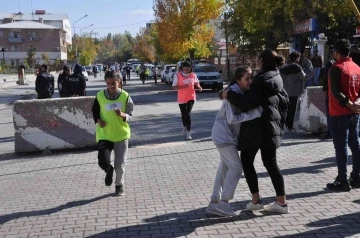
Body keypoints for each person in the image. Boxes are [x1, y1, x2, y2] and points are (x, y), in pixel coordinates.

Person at [222, 49, 289, 214]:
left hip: (256, 129)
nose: (256, 61)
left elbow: (246, 104)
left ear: (262, 62)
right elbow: (285, 102)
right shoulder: (276, 78)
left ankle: (256, 200)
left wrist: (229, 94)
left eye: (258, 59)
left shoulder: (260, 81)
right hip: (271, 127)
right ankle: (281, 203)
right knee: (271, 164)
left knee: (247, 161)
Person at [207, 66, 263, 217]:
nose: (250, 81)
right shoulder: (234, 93)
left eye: (251, 78)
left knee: (224, 168)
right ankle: (224, 203)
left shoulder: (238, 92)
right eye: (247, 79)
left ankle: (214, 202)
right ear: (238, 80)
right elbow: (232, 118)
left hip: (225, 136)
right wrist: (255, 113)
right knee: (237, 168)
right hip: (224, 137)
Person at [91, 70, 134, 196]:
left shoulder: (125, 96)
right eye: (108, 83)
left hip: (121, 135)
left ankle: (119, 185)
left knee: (120, 165)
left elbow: (131, 115)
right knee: (102, 161)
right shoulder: (99, 96)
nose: (111, 86)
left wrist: (122, 114)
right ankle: (108, 170)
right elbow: (95, 112)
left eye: (113, 83)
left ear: (119, 82)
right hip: (105, 134)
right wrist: (99, 121)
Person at [326, 39, 360, 191]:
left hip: (340, 112)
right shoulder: (357, 68)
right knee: (355, 144)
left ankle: (342, 180)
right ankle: (356, 177)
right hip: (355, 112)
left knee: (341, 147)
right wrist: (356, 103)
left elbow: (335, 92)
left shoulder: (336, 68)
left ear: (337, 52)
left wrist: (348, 104)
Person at [280, 51, 313, 132]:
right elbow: (304, 77)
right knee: (293, 110)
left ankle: (285, 125)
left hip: (285, 91)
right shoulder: (297, 67)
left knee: (286, 109)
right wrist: (312, 73)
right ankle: (290, 127)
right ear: (297, 58)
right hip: (294, 92)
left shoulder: (283, 67)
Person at [172, 60, 203, 140]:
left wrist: (199, 87)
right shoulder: (178, 75)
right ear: (182, 68)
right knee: (183, 114)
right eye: (185, 68)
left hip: (191, 97)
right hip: (182, 98)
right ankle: (184, 125)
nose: (186, 70)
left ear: (190, 68)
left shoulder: (193, 75)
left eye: (188, 68)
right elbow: (174, 87)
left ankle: (189, 133)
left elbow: (196, 83)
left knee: (188, 114)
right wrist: (182, 87)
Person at [320, 51, 335, 140]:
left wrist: (325, 87)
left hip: (330, 92)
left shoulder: (330, 64)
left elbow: (325, 76)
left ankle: (330, 132)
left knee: (330, 112)